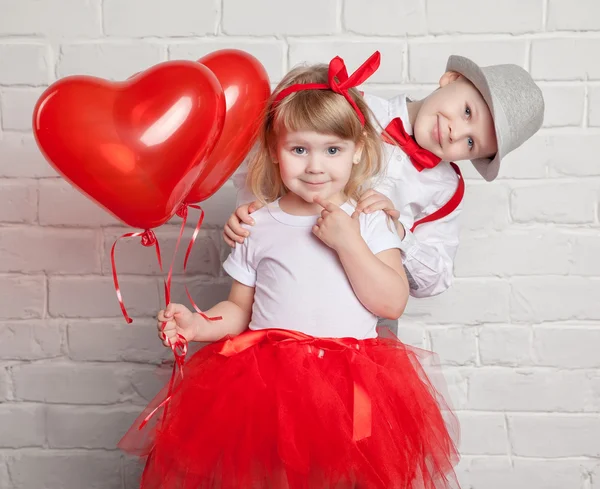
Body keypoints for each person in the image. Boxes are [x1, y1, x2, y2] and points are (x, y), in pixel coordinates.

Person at [119, 52, 459, 489]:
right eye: (299, 149)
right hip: (268, 388)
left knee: (344, 477)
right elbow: (240, 310)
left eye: (332, 150)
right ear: (275, 153)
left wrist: (348, 241)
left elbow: (391, 301)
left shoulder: (371, 219)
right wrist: (197, 324)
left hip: (351, 385)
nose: (315, 165)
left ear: (357, 152)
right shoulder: (257, 224)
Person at [224, 55, 545, 300]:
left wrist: (399, 233)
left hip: (366, 319)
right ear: (452, 79)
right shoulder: (349, 106)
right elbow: (267, 152)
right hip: (286, 294)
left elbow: (437, 279)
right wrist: (252, 209)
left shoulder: (446, 190)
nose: (455, 133)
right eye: (467, 112)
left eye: (471, 143)